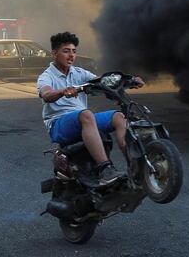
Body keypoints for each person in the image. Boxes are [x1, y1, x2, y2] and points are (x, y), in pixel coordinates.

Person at [37, 32, 145, 186]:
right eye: (66, 51)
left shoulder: (79, 73)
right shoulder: (46, 76)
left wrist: (130, 80)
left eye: (74, 51)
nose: (71, 55)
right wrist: (61, 91)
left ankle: (135, 168)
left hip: (81, 119)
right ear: (54, 53)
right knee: (87, 114)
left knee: (119, 117)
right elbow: (46, 94)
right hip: (58, 124)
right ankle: (105, 170)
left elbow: (103, 82)